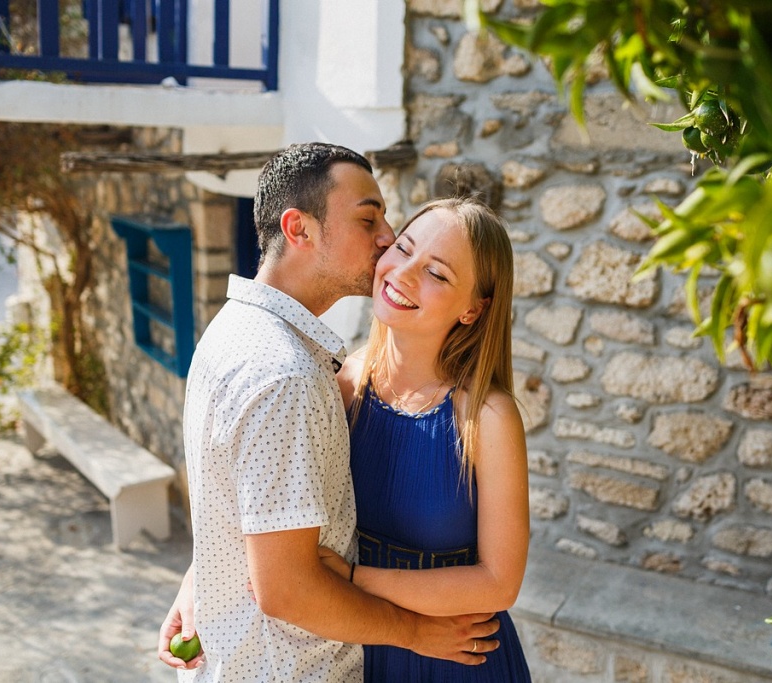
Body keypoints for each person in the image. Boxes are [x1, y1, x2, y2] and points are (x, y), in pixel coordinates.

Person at [157, 142, 501, 681]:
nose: (387, 237)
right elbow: (288, 590)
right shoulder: (286, 375)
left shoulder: (234, 332)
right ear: (299, 229)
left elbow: (241, 499)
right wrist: (414, 633)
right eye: (369, 219)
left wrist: (202, 575)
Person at [327, 196, 532, 681]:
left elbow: (499, 583)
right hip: (358, 650)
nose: (403, 273)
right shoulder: (344, 382)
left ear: (473, 309)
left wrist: (355, 579)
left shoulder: (487, 416)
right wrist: (198, 583)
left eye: (437, 273)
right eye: (403, 248)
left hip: (457, 658)